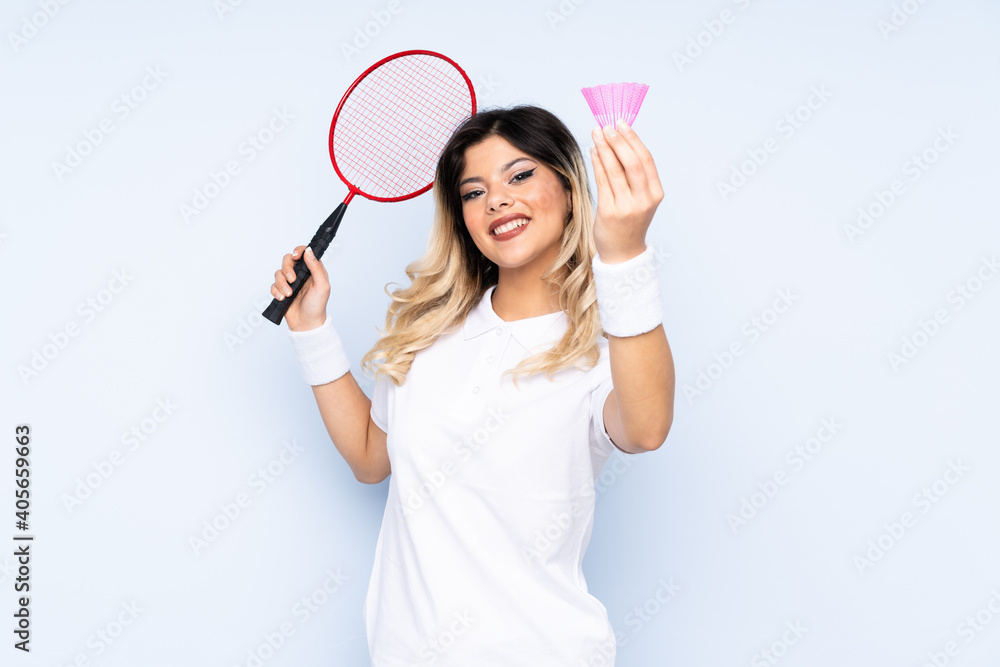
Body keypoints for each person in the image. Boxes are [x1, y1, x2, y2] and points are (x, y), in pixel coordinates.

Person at [269, 105, 675, 666]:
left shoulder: (608, 351)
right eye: (473, 192)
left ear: (570, 190)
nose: (497, 201)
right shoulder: (428, 334)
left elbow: (647, 429)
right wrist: (311, 328)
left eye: (520, 175)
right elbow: (369, 458)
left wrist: (625, 254)